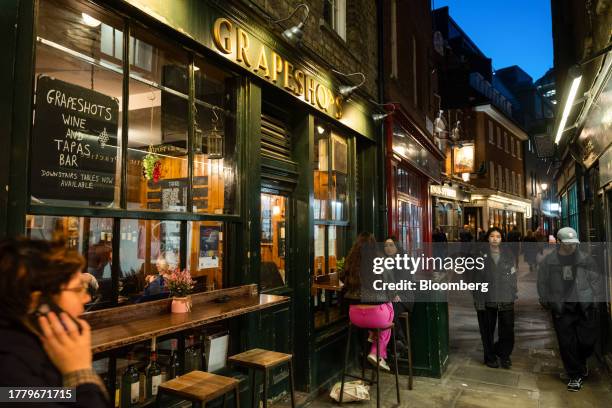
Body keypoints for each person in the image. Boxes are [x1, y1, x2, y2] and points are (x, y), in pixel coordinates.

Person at [0, 238, 110, 407]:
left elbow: (57, 397)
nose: (86, 297)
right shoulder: (11, 371)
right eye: (77, 289)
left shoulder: (33, 346)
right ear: (37, 301)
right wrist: (79, 371)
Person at [537, 227, 603, 392]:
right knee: (566, 343)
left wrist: (595, 301)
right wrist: (546, 301)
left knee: (587, 341)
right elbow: (542, 282)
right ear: (558, 243)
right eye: (568, 244)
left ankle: (581, 362)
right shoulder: (549, 262)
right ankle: (574, 375)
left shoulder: (586, 260)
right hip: (562, 307)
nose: (572, 247)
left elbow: (595, 280)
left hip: (584, 305)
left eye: (574, 243)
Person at [339, 232, 394, 371]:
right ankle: (376, 353)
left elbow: (342, 280)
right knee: (390, 309)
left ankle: (372, 335)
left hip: (355, 316)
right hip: (377, 317)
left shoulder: (350, 262)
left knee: (383, 310)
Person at [471, 227, 517, 369]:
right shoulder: (478, 254)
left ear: (502, 238)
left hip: (505, 296)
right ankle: (489, 357)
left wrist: (513, 290)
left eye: (498, 236)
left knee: (507, 329)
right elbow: (473, 278)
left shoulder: (508, 254)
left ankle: (504, 355)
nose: (495, 238)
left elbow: (513, 273)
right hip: (486, 296)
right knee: (487, 330)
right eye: (492, 236)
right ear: (487, 238)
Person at [383, 237, 414, 356]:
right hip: (392, 297)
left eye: (391, 245)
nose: (388, 248)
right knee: (384, 310)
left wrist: (396, 294)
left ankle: (400, 342)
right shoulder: (385, 261)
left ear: (397, 247)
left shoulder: (403, 260)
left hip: (404, 297)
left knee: (391, 310)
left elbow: (403, 281)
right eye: (386, 246)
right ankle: (397, 342)